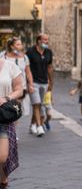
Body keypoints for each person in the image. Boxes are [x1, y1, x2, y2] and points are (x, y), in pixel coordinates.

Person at [0, 47, 24, 188]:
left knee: (3, 157)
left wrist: (6, 98)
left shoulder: (10, 66)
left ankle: (2, 178)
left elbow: (19, 89)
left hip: (2, 116)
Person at [26, 33, 53, 136]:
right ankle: (39, 126)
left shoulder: (49, 52)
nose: (47, 42)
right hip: (34, 83)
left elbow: (50, 67)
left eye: (47, 40)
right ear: (38, 41)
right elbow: (26, 68)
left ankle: (32, 125)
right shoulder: (30, 52)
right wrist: (28, 83)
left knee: (38, 104)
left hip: (45, 83)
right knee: (36, 104)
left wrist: (51, 83)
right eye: (45, 40)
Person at [1, 37, 33, 120]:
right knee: (6, 110)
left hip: (19, 88)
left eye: (21, 44)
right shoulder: (3, 56)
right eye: (18, 44)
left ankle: (12, 128)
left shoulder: (24, 57)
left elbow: (28, 72)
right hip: (7, 88)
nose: (20, 46)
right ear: (12, 46)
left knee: (14, 110)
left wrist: (31, 85)